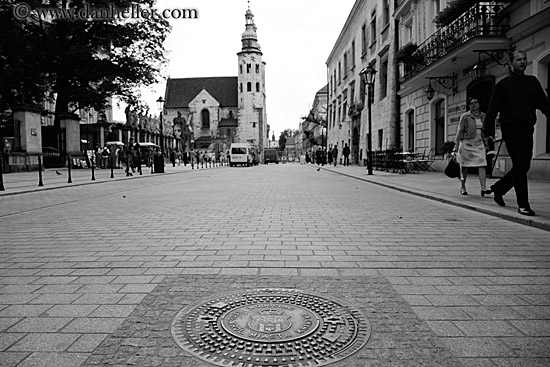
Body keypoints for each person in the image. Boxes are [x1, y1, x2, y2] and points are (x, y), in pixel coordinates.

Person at [483, 50, 550, 216]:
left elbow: (543, 104)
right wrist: (487, 131)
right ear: (510, 63)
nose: (522, 61)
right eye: (519, 59)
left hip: (527, 128)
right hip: (511, 129)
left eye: (524, 59)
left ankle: (499, 188)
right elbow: (492, 111)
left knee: (524, 165)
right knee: (520, 166)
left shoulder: (532, 82)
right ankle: (523, 205)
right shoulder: (503, 85)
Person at [454, 97, 491, 196]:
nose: (473, 104)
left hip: (479, 143)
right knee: (464, 167)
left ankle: (483, 188)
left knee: (482, 164)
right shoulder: (465, 116)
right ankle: (463, 187)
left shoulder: (483, 116)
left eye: (476, 102)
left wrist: (486, 143)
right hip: (466, 143)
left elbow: (485, 130)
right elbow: (460, 131)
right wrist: (456, 145)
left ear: (479, 104)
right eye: (471, 103)